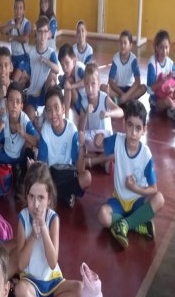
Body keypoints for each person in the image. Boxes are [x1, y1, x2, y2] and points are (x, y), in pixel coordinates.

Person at [15, 161, 82, 297]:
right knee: (20, 291)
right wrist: (32, 236)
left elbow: (53, 263)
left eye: (41, 198)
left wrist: (43, 229)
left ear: (49, 198)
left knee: (80, 290)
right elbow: (20, 265)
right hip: (31, 284)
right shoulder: (23, 218)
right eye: (31, 197)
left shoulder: (53, 219)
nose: (36, 205)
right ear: (26, 195)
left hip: (53, 282)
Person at [97, 101, 165, 249]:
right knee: (102, 215)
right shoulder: (117, 141)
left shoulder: (146, 155)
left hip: (137, 201)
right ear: (124, 124)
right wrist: (99, 139)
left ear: (144, 130)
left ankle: (125, 224)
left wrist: (135, 189)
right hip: (119, 200)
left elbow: (153, 189)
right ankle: (136, 224)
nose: (133, 133)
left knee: (159, 199)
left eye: (138, 128)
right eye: (130, 126)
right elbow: (101, 143)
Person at [38, 86, 91, 208]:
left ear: (63, 108)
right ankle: (66, 194)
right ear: (46, 113)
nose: (53, 114)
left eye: (56, 108)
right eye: (49, 110)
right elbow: (43, 163)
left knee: (87, 177)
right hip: (52, 175)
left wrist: (82, 146)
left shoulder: (72, 130)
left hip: (68, 174)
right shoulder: (46, 130)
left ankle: (56, 195)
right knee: (39, 180)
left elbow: (79, 168)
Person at [78, 63, 123, 174]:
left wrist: (109, 113)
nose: (90, 88)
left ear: (99, 84)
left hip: (105, 139)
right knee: (78, 148)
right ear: (84, 85)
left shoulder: (104, 98)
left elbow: (121, 112)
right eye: (87, 85)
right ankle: (102, 161)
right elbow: (80, 129)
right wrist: (86, 115)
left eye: (93, 84)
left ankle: (93, 161)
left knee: (119, 150)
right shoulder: (84, 102)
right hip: (91, 140)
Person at [0, 82, 39, 165]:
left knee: (29, 145)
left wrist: (24, 134)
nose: (14, 105)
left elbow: (38, 142)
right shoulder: (4, 120)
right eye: (11, 100)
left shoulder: (25, 120)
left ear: (21, 106)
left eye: (18, 102)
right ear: (6, 103)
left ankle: (20, 171)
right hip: (6, 156)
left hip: (20, 157)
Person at [24, 16, 60, 124]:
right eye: (40, 32)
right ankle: (35, 116)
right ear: (36, 34)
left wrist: (47, 61)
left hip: (45, 91)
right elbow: (26, 74)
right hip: (33, 93)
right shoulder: (30, 53)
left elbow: (57, 69)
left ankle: (48, 106)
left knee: (53, 77)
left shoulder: (51, 53)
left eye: (45, 31)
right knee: (29, 118)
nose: (43, 35)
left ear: (49, 34)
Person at [107, 30, 147, 105]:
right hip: (118, 89)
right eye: (121, 43)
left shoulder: (133, 59)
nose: (122, 45)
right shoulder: (116, 59)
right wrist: (122, 93)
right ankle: (127, 100)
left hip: (130, 90)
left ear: (130, 45)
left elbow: (137, 81)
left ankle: (122, 100)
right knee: (103, 88)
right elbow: (111, 81)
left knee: (144, 88)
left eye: (125, 43)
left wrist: (126, 95)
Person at [1, 0, 31, 82]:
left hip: (23, 57)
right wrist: (14, 26)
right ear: (14, 9)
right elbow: (2, 30)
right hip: (13, 56)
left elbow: (25, 38)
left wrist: (13, 38)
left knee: (15, 79)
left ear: (24, 10)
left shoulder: (26, 23)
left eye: (21, 8)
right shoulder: (11, 22)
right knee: (6, 75)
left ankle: (20, 92)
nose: (18, 11)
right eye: (16, 8)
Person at [58, 43, 86, 117]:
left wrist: (72, 86)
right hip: (80, 103)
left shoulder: (79, 68)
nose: (64, 68)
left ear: (74, 61)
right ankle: (66, 115)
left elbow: (87, 81)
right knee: (67, 81)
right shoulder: (68, 74)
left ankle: (66, 116)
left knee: (68, 83)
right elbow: (58, 88)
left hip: (87, 106)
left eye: (67, 63)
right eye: (62, 65)